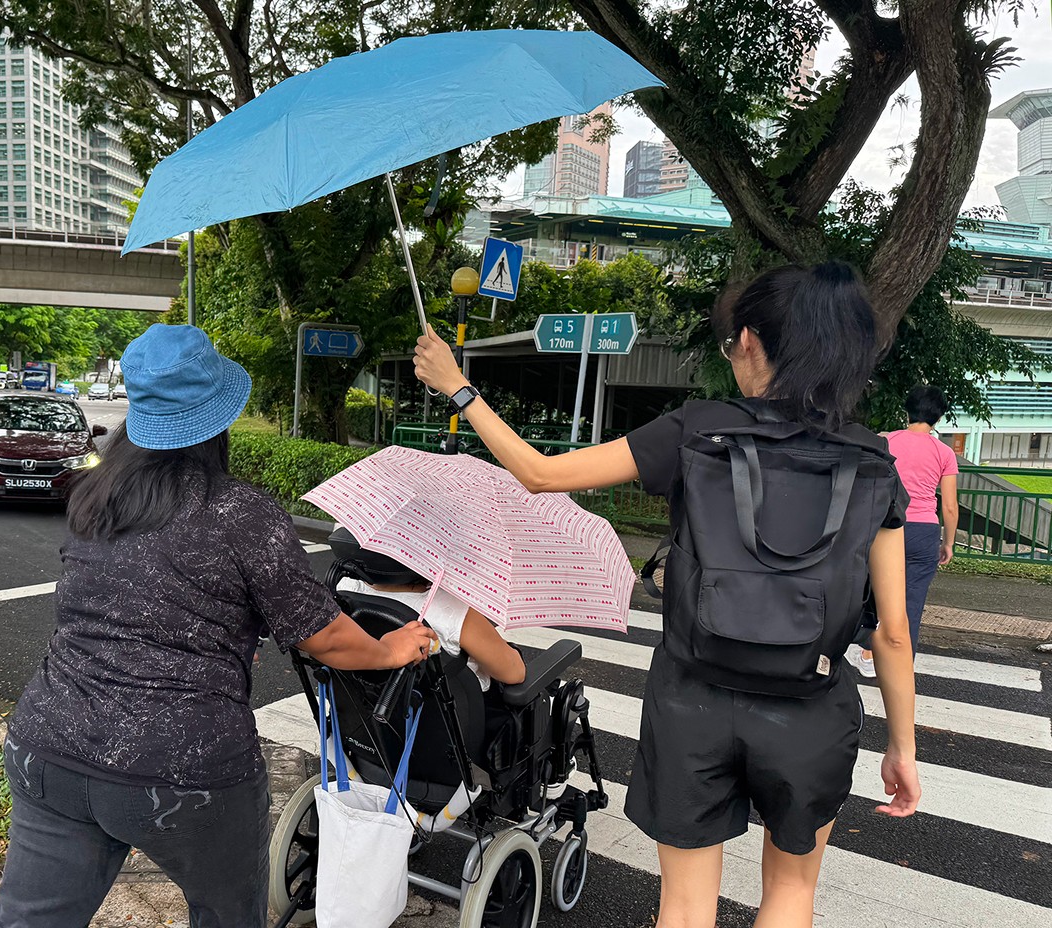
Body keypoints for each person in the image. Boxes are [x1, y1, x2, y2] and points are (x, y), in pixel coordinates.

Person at [414, 262, 921, 928]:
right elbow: (891, 632)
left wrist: (458, 387)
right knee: (793, 894)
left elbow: (540, 473)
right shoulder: (873, 465)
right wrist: (903, 747)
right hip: (810, 709)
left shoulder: (695, 430)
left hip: (694, 701)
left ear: (748, 340)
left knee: (683, 906)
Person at [0, 325, 435, 928]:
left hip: (50, 746)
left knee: (25, 922)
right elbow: (322, 636)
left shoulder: (95, 494)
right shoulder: (240, 511)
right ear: (215, 421)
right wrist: (390, 648)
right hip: (185, 770)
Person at [847, 386, 959, 677]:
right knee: (912, 603)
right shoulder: (944, 452)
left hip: (886, 526)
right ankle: (897, 671)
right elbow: (949, 506)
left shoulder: (884, 441)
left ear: (907, 410)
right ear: (938, 417)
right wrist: (948, 543)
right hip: (925, 533)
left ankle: (866, 649)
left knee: (870, 590)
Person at [328, 527, 526, 690]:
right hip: (447, 728)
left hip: (362, 725)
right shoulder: (451, 610)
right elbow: (513, 673)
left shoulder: (342, 590)